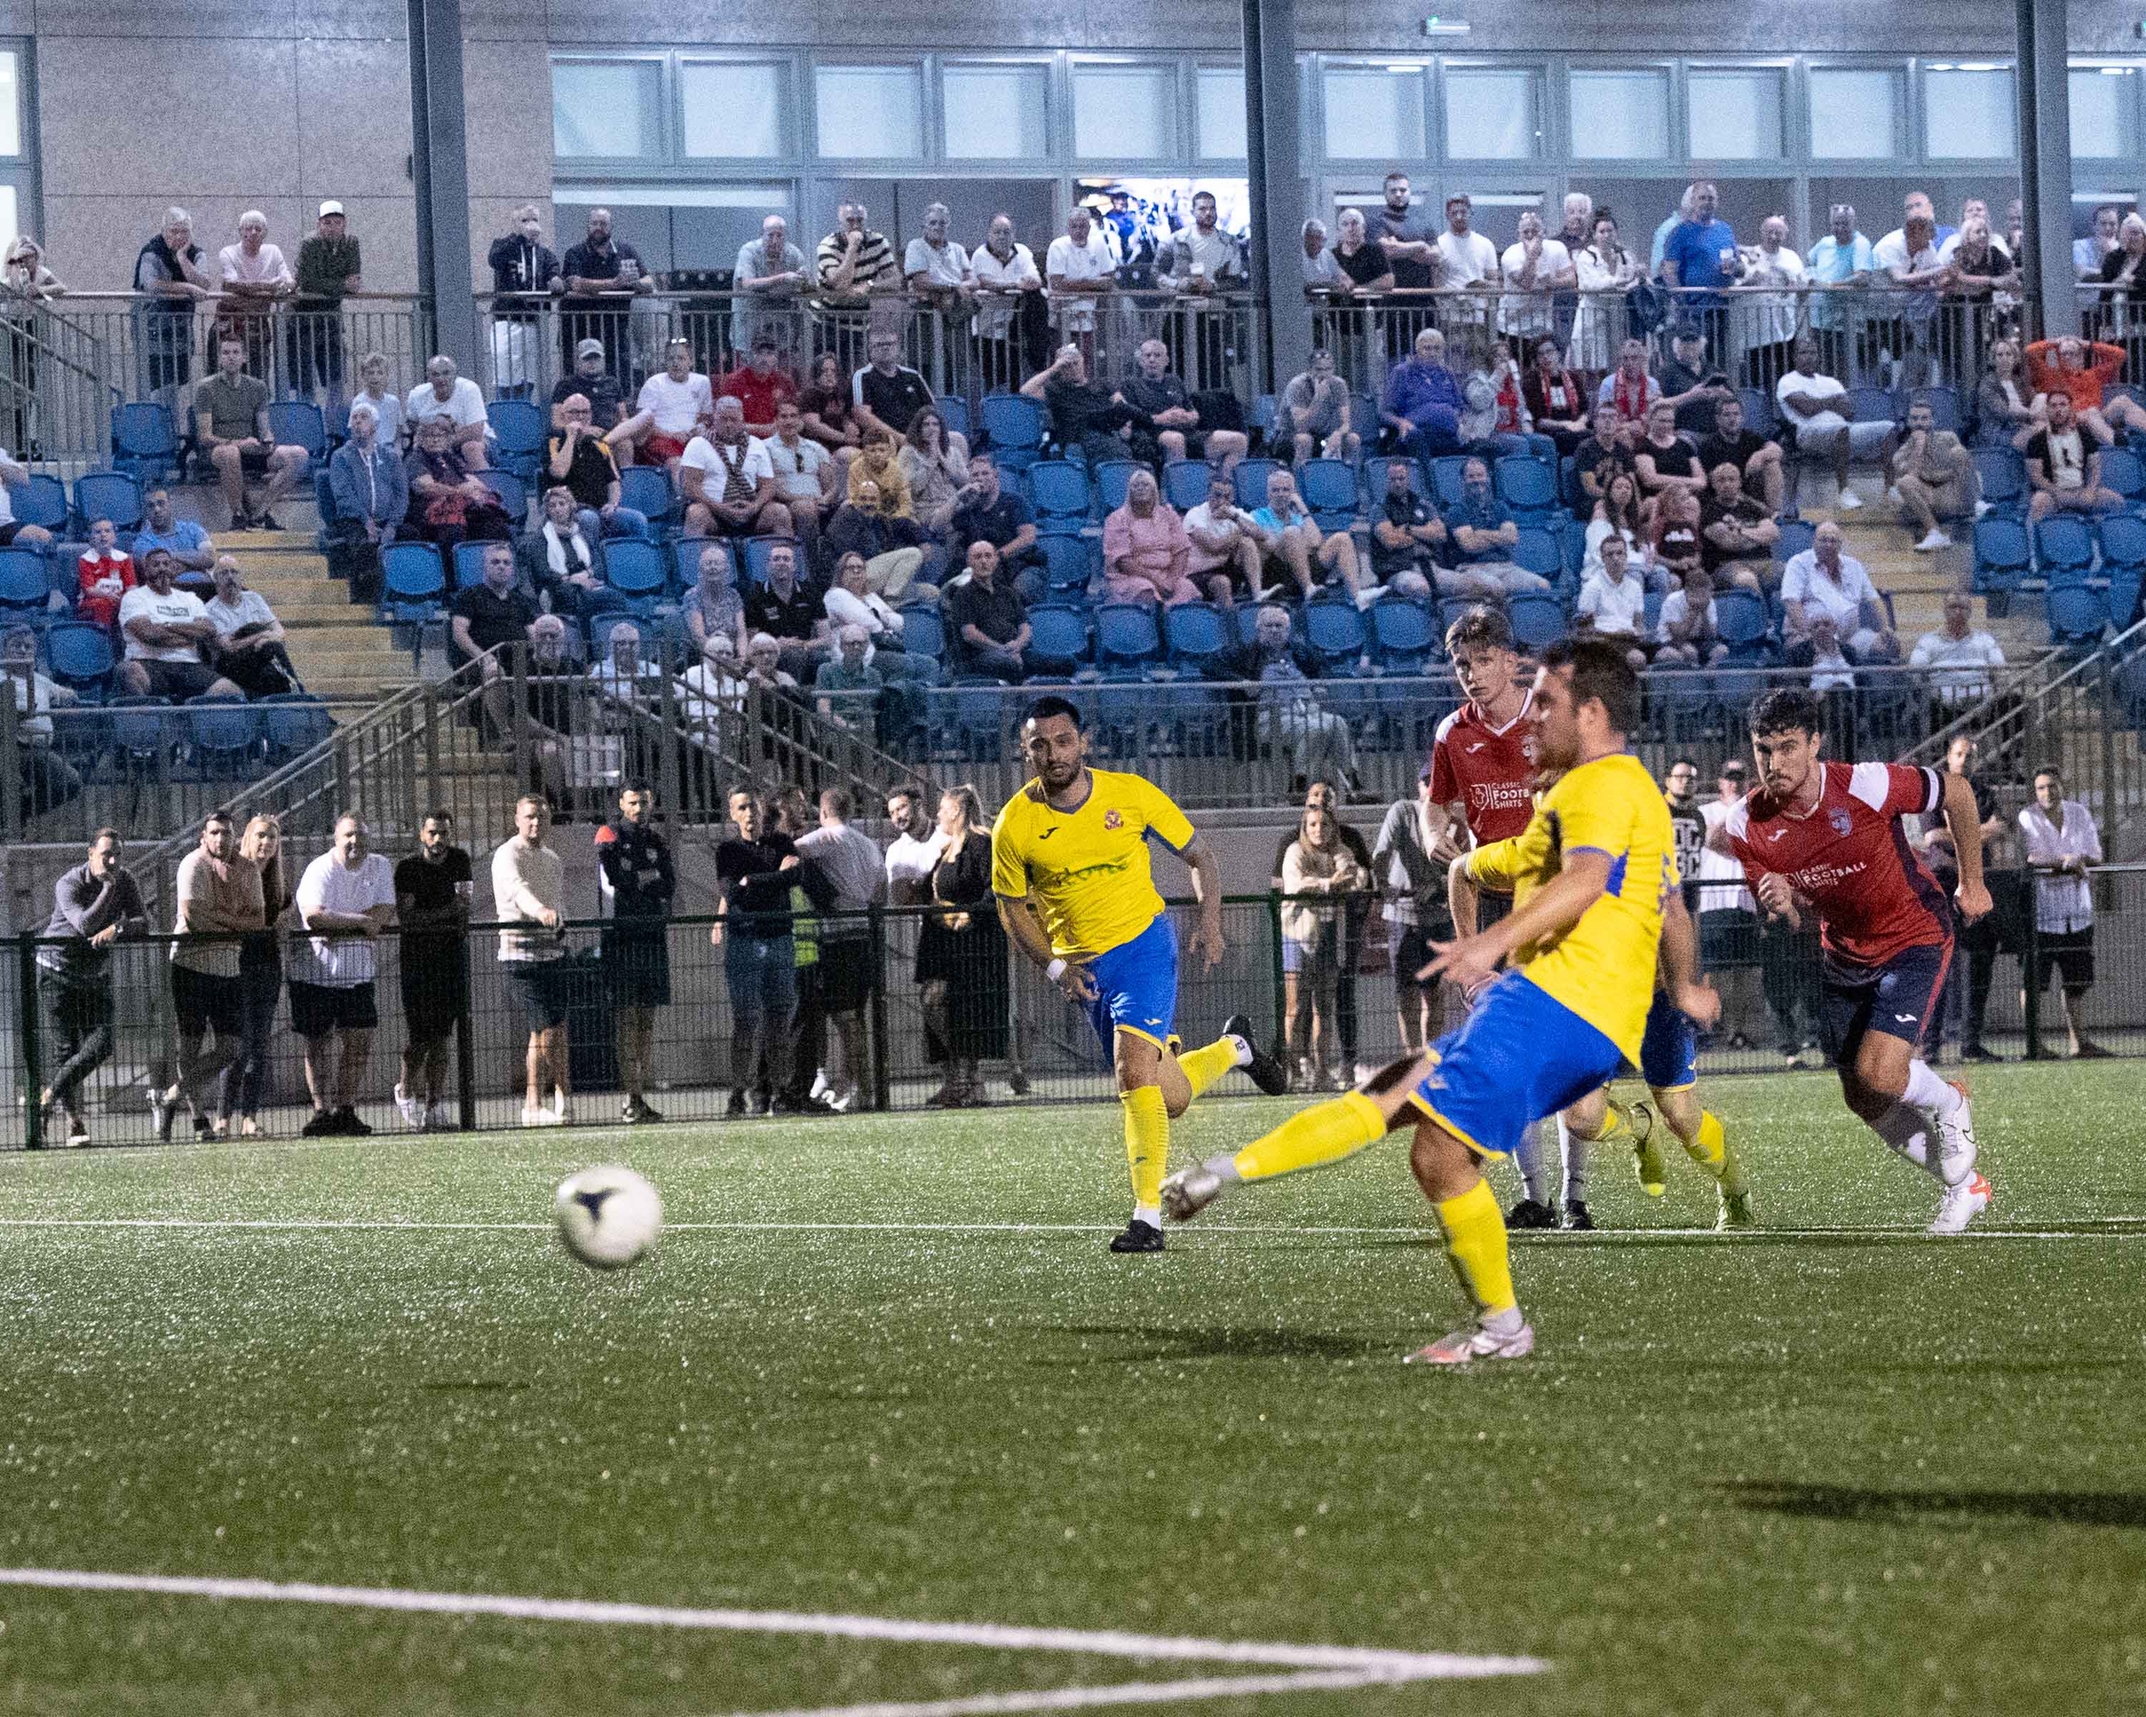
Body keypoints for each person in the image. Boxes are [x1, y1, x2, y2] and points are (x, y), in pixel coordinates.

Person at [1162, 639, 1712, 1363]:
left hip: (1556, 1007)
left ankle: (1504, 1326)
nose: (1531, 717)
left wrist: (1489, 944)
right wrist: (1685, 986)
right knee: (1399, 1101)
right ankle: (1220, 1173)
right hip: (1578, 1018)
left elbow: (1583, 881)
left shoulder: (1597, 787)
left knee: (1436, 1150)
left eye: (1546, 702)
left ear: (1592, 713)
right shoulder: (1628, 792)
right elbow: (1668, 907)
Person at [993, 695, 1286, 1254]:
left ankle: (1147, 1218)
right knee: (1167, 1096)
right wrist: (1056, 967)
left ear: (1084, 743)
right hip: (1084, 969)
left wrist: (1210, 921)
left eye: (1063, 741)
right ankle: (1236, 1048)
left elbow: (1201, 855)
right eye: (1039, 745)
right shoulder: (1014, 823)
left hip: (1144, 948)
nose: (1053, 754)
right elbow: (1011, 908)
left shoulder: (1130, 794)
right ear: (1025, 752)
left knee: (1131, 1073)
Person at [1713, 688, 1992, 1234]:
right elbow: (1793, 920)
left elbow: (1957, 792)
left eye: (1788, 747)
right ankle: (1965, 1187)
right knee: (1862, 1097)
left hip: (1914, 935)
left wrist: (1973, 883)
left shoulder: (1866, 784)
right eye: (1763, 749)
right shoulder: (1746, 824)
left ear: (1815, 743)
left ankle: (1949, 1100)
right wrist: (1783, 906)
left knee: (1880, 1072)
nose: (1774, 763)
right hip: (1843, 953)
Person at [714, 787, 825, 1118]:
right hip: (745, 942)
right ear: (733, 814)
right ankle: (739, 1091)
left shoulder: (780, 843)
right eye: (742, 807)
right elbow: (733, 894)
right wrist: (775, 878)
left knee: (780, 1021)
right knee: (746, 1020)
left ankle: (780, 1090)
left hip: (779, 939)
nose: (749, 813)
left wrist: (753, 881)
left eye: (753, 806)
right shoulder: (729, 850)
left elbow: (795, 876)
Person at [34, 828, 149, 1149]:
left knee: (102, 1044)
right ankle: (75, 1123)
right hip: (57, 971)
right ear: (90, 854)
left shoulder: (125, 879)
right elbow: (84, 924)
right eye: (106, 855)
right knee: (65, 1049)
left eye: (117, 855)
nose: (112, 862)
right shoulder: (69, 882)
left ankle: (47, 1096)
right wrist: (107, 889)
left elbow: (144, 922)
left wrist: (118, 927)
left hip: (94, 976)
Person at [158, 812, 265, 1144]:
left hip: (229, 968)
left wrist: (219, 921)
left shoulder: (247, 870)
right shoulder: (192, 865)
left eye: (227, 833)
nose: (221, 839)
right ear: (204, 836)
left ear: (235, 836)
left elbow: (257, 921)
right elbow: (194, 918)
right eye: (215, 833)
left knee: (231, 1048)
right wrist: (234, 924)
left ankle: (171, 1095)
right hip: (190, 965)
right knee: (190, 1044)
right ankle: (198, 1118)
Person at [288, 814, 397, 1138]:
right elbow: (315, 916)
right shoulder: (320, 869)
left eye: (360, 835)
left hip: (358, 974)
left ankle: (346, 1109)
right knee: (317, 1044)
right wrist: (360, 923)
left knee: (358, 1043)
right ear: (336, 838)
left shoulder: (379, 866)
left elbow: (383, 912)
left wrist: (341, 924)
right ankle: (321, 1111)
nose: (355, 841)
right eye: (348, 835)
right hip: (316, 975)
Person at [909, 784, 1003, 1108]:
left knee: (962, 1008)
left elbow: (994, 887)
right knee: (933, 1001)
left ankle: (968, 1079)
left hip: (969, 943)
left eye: (942, 808)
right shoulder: (947, 847)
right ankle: (958, 1078)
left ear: (957, 811)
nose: (937, 814)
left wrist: (970, 915)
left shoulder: (981, 843)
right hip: (940, 940)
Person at [794, 787, 884, 1113]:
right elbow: (881, 888)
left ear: (823, 812)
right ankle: (856, 1084)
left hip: (839, 938)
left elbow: (790, 852)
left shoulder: (827, 838)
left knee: (846, 1018)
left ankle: (861, 1087)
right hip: (864, 936)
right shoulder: (868, 845)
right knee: (855, 1016)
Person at [593, 784, 675, 1124]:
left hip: (652, 936)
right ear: (621, 804)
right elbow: (616, 878)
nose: (639, 808)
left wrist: (639, 880)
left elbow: (669, 885)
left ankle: (639, 1093)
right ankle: (631, 1096)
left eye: (644, 802)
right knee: (627, 1019)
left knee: (646, 1020)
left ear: (651, 803)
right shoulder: (608, 833)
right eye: (632, 802)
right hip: (622, 938)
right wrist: (647, 878)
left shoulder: (657, 840)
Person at [494, 794, 573, 1127]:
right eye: (529, 816)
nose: (536, 822)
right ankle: (544, 1100)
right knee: (545, 1029)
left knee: (549, 1030)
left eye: (541, 816)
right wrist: (540, 911)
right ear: (517, 819)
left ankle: (547, 1102)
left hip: (552, 953)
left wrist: (562, 931)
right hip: (520, 955)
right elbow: (517, 890)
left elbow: (558, 903)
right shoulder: (507, 854)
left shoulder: (552, 859)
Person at [2018, 767, 2107, 1060]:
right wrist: (2067, 863)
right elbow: (2033, 858)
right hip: (2042, 915)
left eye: (2052, 786)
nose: (2047, 792)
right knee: (2034, 983)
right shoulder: (2027, 817)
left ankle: (2078, 1042)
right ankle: (2035, 1044)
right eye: (2041, 787)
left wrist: (2078, 859)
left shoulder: (2079, 813)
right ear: (2035, 791)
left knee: (2077, 983)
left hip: (2078, 913)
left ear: (2062, 786)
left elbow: (2096, 854)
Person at [1280, 796, 1367, 1092]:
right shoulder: (1295, 851)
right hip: (1298, 935)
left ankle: (1320, 1071)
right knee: (1296, 1008)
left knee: (1324, 1008)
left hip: (1330, 935)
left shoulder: (1340, 851)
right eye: (1313, 825)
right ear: (1305, 827)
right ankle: (1292, 1070)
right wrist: (1330, 883)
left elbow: (1357, 877)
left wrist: (1334, 881)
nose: (1319, 830)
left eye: (1325, 824)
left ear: (1333, 827)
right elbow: (1296, 886)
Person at [394, 810, 471, 1131]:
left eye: (444, 833)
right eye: (432, 833)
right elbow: (408, 918)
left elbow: (464, 907)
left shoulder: (460, 861)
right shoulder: (408, 868)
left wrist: (440, 915)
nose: (438, 839)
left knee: (442, 1038)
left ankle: (434, 1105)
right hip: (417, 962)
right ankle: (405, 1090)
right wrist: (447, 912)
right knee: (420, 1038)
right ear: (421, 835)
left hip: (449, 960)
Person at [1373, 769, 1457, 1059]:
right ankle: (1411, 1057)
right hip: (1403, 916)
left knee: (1434, 993)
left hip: (1437, 918)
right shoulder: (1403, 811)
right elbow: (1382, 852)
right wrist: (1384, 885)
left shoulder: (1455, 822)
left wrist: (1438, 886)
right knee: (1406, 991)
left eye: (1440, 782)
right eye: (1428, 782)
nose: (1433, 788)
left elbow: (1462, 866)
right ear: (1419, 785)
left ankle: (1430, 1058)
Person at [195, 335, 311, 529]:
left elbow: (265, 428)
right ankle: (238, 515)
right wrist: (238, 444)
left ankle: (260, 513)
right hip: (219, 450)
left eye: (235, 352)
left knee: (299, 455)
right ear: (220, 358)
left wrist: (267, 441)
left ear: (244, 357)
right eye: (226, 353)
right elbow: (205, 436)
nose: (231, 357)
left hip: (250, 447)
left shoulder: (257, 387)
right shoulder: (206, 388)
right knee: (230, 453)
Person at [1776, 335, 1895, 510]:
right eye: (1803, 353)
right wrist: (1832, 401)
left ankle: (1890, 490)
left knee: (1888, 428)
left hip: (1843, 429)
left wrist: (1818, 402)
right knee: (1840, 429)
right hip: (1807, 433)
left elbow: (1848, 412)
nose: (1809, 357)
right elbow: (1807, 408)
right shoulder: (1788, 381)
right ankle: (1844, 492)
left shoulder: (1830, 382)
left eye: (1813, 353)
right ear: (1794, 357)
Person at [117, 549, 243, 701]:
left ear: (173, 568)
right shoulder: (134, 597)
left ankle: (198, 714)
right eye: (156, 565)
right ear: (146, 571)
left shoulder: (190, 598)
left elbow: (208, 630)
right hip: (148, 662)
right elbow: (150, 635)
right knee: (128, 670)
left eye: (166, 564)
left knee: (230, 690)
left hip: (189, 665)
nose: (162, 568)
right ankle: (148, 715)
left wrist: (167, 625)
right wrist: (189, 637)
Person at [680, 395, 793, 540]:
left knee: (780, 512)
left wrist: (754, 507)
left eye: (733, 420)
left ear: (742, 421)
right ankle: (694, 554)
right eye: (723, 419)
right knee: (695, 513)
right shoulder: (698, 444)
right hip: (713, 511)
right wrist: (719, 508)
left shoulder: (756, 444)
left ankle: (785, 553)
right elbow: (690, 486)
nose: (728, 424)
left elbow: (768, 485)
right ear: (714, 419)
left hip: (750, 511)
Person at [1251, 466, 1365, 604]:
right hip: (1277, 573)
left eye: (1286, 490)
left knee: (1342, 538)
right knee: (1291, 532)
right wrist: (1299, 542)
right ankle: (1308, 589)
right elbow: (1272, 545)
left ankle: (1357, 596)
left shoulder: (1298, 516)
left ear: (1293, 493)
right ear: (1268, 494)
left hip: (1306, 567)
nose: (1281, 494)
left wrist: (1303, 509)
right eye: (1275, 490)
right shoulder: (1257, 515)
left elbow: (1316, 542)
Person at [547, 393, 649, 542]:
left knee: (636, 520)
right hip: (569, 510)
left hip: (601, 508)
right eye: (574, 412)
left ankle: (638, 556)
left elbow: (613, 480)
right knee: (589, 518)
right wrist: (571, 437)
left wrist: (612, 504)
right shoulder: (553, 441)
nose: (580, 417)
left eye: (585, 412)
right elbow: (559, 472)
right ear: (563, 416)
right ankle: (594, 557)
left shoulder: (599, 443)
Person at [1441, 458, 1549, 596]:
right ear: (1462, 480)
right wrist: (1498, 537)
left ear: (1488, 477)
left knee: (1543, 585)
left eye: (1480, 475)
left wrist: (1480, 533)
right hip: (1471, 568)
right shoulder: (1456, 510)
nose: (1476, 480)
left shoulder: (1500, 507)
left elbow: (1511, 539)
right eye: (1471, 476)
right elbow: (1470, 545)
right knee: (1495, 587)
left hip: (1506, 567)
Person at [290, 201, 360, 410]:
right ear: (318, 224)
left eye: (337, 222)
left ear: (344, 224)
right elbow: (307, 282)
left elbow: (354, 281)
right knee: (304, 380)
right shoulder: (309, 244)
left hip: (331, 318)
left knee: (335, 377)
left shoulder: (351, 243)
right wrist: (340, 285)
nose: (332, 227)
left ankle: (333, 425)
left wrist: (333, 285)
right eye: (327, 223)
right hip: (303, 318)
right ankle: (308, 423)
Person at [404, 416, 512, 547]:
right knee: (454, 529)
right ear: (420, 439)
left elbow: (476, 483)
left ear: (448, 439)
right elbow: (427, 488)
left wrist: (475, 492)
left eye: (440, 435)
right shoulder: (415, 459)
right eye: (429, 436)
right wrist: (459, 491)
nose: (435, 440)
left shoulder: (449, 458)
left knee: (494, 524)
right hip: (431, 515)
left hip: (461, 508)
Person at [487, 205, 562, 392]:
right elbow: (494, 260)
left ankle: (524, 404)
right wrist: (519, 237)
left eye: (535, 220)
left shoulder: (544, 254)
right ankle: (506, 407)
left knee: (529, 375)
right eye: (525, 220)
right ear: (515, 225)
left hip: (533, 322)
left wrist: (556, 281)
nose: (531, 225)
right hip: (506, 319)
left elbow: (553, 272)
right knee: (504, 373)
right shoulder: (503, 245)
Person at [1101, 469, 1198, 607]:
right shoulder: (1117, 518)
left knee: (1187, 587)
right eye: (1135, 486)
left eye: (1145, 485)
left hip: (1166, 575)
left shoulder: (1168, 515)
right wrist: (1157, 583)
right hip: (1130, 577)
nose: (1140, 488)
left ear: (1154, 490)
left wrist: (1171, 580)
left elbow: (1181, 550)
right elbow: (1124, 561)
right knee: (1146, 590)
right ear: (1129, 492)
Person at [2024, 391, 2123, 521]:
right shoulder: (2036, 440)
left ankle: (2098, 531)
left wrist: (2090, 491)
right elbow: (2035, 476)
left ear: (2070, 408)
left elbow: (2095, 467)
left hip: (2080, 492)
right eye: (2053, 405)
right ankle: (2036, 535)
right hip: (2052, 494)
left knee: (2116, 501)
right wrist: (2056, 492)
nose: (2058, 409)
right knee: (2039, 503)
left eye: (2063, 405)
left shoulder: (2085, 436)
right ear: (2047, 410)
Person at [945, 540, 1030, 680]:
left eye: (988, 556)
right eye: (978, 557)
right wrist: (1003, 649)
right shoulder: (962, 594)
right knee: (1008, 663)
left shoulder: (1008, 592)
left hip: (1014, 650)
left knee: (1060, 663)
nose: (984, 561)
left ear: (996, 560)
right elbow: (969, 634)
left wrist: (1017, 646)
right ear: (969, 562)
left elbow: (1025, 627)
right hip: (980, 656)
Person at [1570, 210, 1640, 376]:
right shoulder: (1586, 256)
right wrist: (1619, 282)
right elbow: (1592, 284)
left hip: (1616, 316)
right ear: (1594, 235)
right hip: (1591, 316)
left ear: (1616, 233)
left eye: (1610, 230)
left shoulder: (1624, 256)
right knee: (1590, 366)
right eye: (1602, 231)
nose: (1606, 235)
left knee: (1616, 363)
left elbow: (1633, 279)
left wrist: (1634, 279)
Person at [1909, 592, 2007, 711]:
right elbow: (1916, 673)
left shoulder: (1985, 640)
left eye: (1963, 607)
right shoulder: (1928, 641)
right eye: (1953, 607)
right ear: (1944, 611)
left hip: (1983, 705)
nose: (1958, 611)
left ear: (1970, 612)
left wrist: (1991, 698)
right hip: (1941, 707)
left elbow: (2000, 672)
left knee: (2015, 699)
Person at [1381, 327, 1465, 461]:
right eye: (1427, 348)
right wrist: (1402, 423)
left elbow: (1460, 407)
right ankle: (1428, 475)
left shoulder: (1447, 373)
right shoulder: (1402, 372)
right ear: (1417, 349)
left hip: (1448, 434)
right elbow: (1385, 413)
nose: (1432, 353)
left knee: (1483, 446)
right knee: (1416, 438)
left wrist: (1460, 422)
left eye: (1437, 348)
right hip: (1418, 433)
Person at [1695, 393, 1786, 515]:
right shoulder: (1708, 445)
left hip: (1749, 489)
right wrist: (1760, 507)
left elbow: (1777, 450)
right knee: (1727, 483)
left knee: (1772, 462)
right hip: (1724, 497)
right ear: (1718, 419)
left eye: (1736, 414)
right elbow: (1719, 486)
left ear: (1742, 417)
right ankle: (1768, 513)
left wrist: (1759, 455)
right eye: (1727, 415)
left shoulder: (1749, 437)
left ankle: (1775, 514)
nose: (1732, 419)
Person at [1366, 461, 1441, 598]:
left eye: (1401, 478)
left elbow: (1440, 534)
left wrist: (1408, 529)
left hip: (1430, 565)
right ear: (1386, 481)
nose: (1398, 483)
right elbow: (1391, 541)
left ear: (1409, 479)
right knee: (1420, 588)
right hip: (1397, 571)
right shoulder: (1379, 508)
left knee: (1472, 585)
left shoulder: (1423, 504)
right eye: (1393, 479)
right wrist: (1424, 532)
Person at [1575, 534, 1650, 669]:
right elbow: (1585, 630)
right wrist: (1615, 635)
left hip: (1628, 643)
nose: (1615, 558)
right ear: (1603, 559)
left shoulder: (1635, 587)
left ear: (1626, 556)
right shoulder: (1592, 586)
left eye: (1620, 553)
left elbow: (1638, 624)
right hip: (1601, 645)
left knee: (1641, 658)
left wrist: (1638, 633)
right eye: (1610, 554)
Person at [1278, 348, 1358, 465]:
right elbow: (1300, 426)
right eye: (1318, 369)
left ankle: (1348, 474)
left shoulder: (1339, 384)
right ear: (1309, 370)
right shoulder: (1297, 385)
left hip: (1323, 434)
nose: (1323, 374)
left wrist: (1338, 434)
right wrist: (1318, 399)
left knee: (1353, 439)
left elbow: (1346, 424)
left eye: (1328, 369)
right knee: (1305, 440)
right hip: (1290, 435)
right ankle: (1300, 475)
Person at [74, 518, 133, 631]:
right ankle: (103, 636)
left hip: (119, 599)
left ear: (114, 537)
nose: (103, 535)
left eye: (107, 531)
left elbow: (131, 586)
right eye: (98, 532)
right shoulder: (85, 559)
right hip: (93, 601)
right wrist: (108, 595)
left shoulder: (124, 558)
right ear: (91, 538)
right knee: (103, 604)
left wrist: (127, 598)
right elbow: (89, 590)